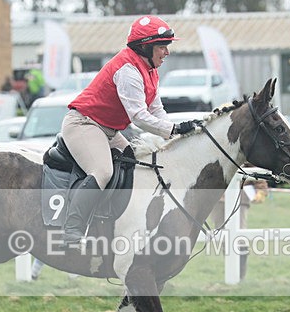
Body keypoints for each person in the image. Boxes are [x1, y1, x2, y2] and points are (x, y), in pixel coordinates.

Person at [59, 15, 197, 245]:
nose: (167, 52)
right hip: (84, 124)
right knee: (103, 172)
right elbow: (139, 118)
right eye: (162, 47)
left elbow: (157, 110)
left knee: (136, 166)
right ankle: (72, 229)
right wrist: (173, 130)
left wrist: (176, 135)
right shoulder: (128, 71)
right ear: (145, 47)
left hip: (108, 130)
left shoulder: (150, 69)